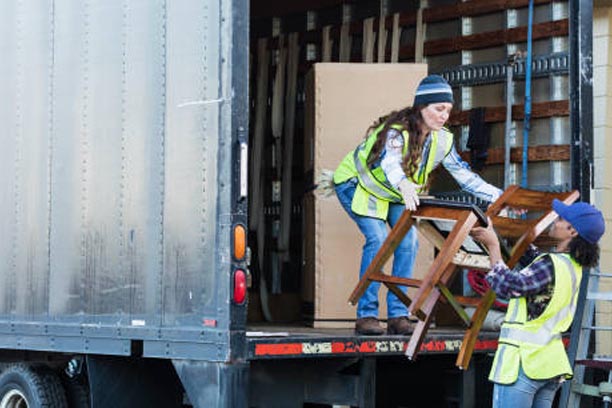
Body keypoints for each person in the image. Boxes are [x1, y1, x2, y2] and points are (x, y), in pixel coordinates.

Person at [333, 75, 503, 335]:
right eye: (438, 108)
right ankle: (366, 316)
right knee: (378, 240)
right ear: (421, 107)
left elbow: (465, 177)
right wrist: (403, 183)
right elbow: (390, 162)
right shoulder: (396, 132)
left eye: (448, 109)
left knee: (409, 242)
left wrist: (498, 197)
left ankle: (398, 316)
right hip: (358, 186)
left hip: (396, 194)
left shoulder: (443, 140)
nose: (444, 115)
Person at [470, 200, 605, 408]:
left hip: (523, 364)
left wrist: (493, 245)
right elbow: (531, 257)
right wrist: (508, 224)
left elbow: (507, 286)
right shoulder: (571, 266)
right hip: (548, 365)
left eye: (560, 219)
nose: (555, 221)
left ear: (572, 231)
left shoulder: (551, 264)